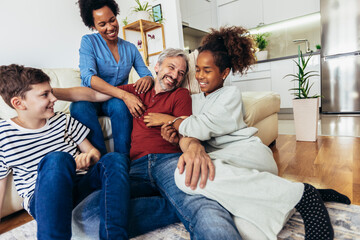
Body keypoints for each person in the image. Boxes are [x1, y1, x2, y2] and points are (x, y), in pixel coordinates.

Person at [144, 27, 351, 240]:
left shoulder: (230, 94)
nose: (200, 76)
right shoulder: (194, 100)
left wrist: (171, 120)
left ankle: (304, 196)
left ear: (224, 73)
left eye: (207, 70)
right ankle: (301, 194)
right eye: (197, 69)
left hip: (247, 156)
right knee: (245, 227)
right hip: (226, 165)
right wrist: (174, 132)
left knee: (184, 173)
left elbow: (199, 127)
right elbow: (187, 128)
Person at [54, 48, 243, 239]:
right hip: (135, 167)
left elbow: (187, 130)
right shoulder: (137, 89)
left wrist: (184, 140)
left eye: (181, 73)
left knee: (202, 206)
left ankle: (184, 203)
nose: (175, 75)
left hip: (169, 162)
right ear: (157, 67)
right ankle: (172, 205)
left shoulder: (181, 94)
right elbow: (92, 94)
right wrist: (50, 92)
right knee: (87, 215)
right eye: (171, 67)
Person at [0, 64, 131, 239]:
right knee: (58, 159)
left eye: (51, 92)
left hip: (82, 185)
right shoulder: (3, 135)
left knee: (115, 159)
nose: (54, 98)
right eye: (45, 95)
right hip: (44, 198)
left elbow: (94, 152)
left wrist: (89, 158)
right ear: (18, 103)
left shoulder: (62, 119)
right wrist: (68, 163)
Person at [72, 0, 154, 156]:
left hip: (113, 99)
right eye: (102, 24)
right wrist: (124, 94)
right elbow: (89, 77)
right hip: (90, 97)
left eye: (112, 20)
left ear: (116, 16)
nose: (110, 27)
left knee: (120, 107)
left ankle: (123, 161)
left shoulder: (130, 48)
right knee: (78, 107)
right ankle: (101, 162)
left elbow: (147, 74)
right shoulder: (88, 42)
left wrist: (148, 79)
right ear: (93, 26)